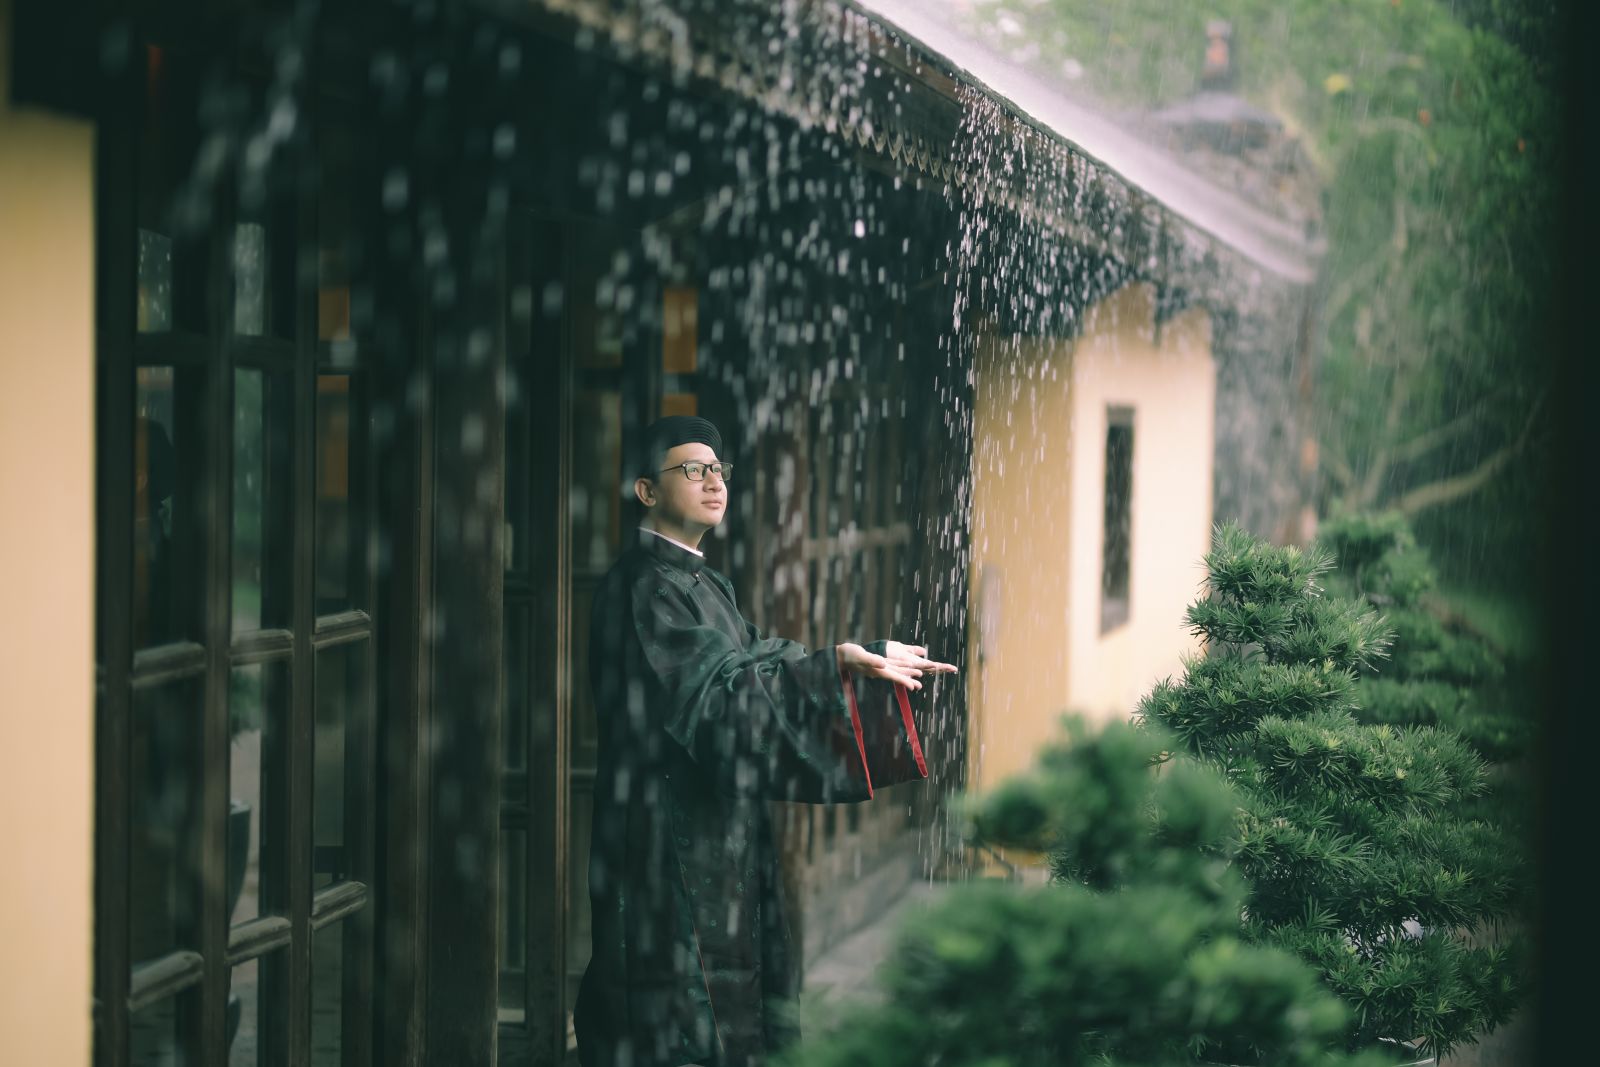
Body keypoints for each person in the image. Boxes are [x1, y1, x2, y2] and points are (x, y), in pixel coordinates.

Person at [574, 415, 956, 1067]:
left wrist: (848, 659)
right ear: (646, 490)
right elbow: (718, 693)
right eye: (693, 468)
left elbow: (755, 659)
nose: (714, 480)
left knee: (737, 997)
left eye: (719, 468)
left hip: (713, 826)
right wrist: (824, 667)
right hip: (662, 837)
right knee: (674, 1009)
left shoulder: (701, 581)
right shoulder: (644, 588)